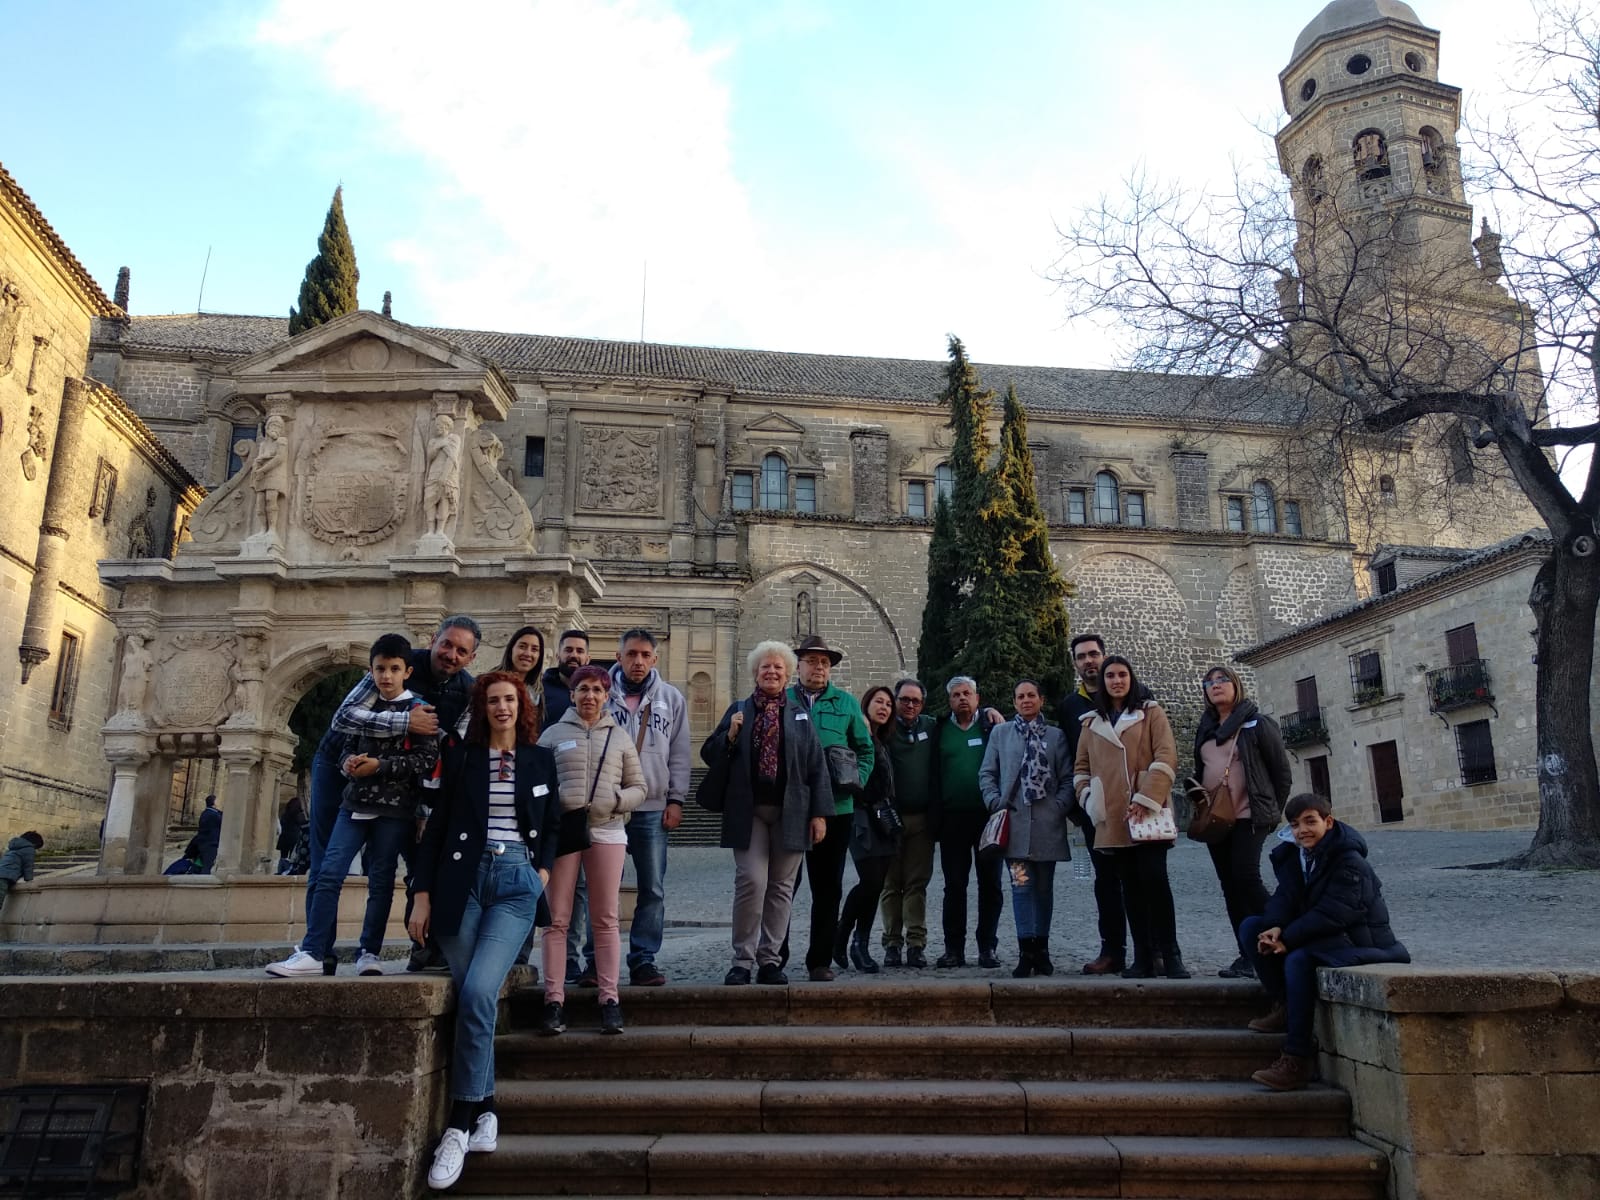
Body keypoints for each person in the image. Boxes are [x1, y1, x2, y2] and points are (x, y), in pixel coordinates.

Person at [409, 670, 562, 1190]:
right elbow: (434, 829)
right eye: (493, 700)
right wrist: (421, 894)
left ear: (523, 706)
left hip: (516, 883)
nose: (502, 707)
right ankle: (484, 1109)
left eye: (510, 699)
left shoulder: (540, 759)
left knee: (477, 991)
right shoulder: (462, 757)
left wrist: (541, 872)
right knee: (474, 996)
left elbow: (554, 822)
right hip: (461, 883)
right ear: (483, 707)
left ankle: (457, 1124)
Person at [269, 634, 441, 978]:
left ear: (407, 671)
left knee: (381, 880)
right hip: (355, 804)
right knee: (329, 872)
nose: (387, 676)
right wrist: (348, 762)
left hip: (394, 809)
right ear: (370, 670)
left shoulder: (421, 709)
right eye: (380, 669)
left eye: (394, 669)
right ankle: (314, 950)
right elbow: (345, 744)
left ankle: (369, 951)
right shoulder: (364, 706)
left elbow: (425, 760)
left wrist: (380, 766)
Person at [1241, 794, 1410, 1091]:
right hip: (1326, 935)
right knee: (1251, 927)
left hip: (1361, 941)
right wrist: (1274, 928)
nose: (1302, 830)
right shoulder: (1296, 855)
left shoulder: (1349, 860)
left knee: (1299, 960)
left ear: (1328, 822)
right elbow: (1285, 896)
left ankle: (1297, 1058)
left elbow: (1335, 913)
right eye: (1295, 825)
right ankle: (1285, 1004)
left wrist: (1288, 939)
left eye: (1310, 822)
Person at [703, 641, 831, 985]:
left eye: (778, 667)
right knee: (751, 881)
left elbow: (816, 764)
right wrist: (731, 735)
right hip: (749, 811)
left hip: (793, 810)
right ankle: (742, 960)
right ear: (755, 673)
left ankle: (770, 960)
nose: (771, 672)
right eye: (765, 667)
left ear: (787, 675)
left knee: (781, 888)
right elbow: (710, 753)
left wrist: (820, 814)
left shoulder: (800, 714)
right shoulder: (739, 710)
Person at [537, 665, 646, 1035]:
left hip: (607, 829)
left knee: (606, 918)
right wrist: (553, 806)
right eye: (583, 689)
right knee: (557, 918)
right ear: (572, 694)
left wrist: (617, 800)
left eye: (597, 690)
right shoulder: (552, 735)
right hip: (564, 832)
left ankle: (609, 998)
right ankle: (554, 999)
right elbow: (537, 783)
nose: (590, 696)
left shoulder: (619, 737)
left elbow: (639, 786)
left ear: (606, 696)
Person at [1072, 654, 1186, 979]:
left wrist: (1146, 798)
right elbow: (1081, 768)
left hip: (1148, 814)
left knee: (1156, 884)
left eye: (1122, 674)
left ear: (1131, 678)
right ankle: (1143, 958)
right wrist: (1090, 800)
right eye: (1110, 675)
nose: (1117, 680)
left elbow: (1166, 755)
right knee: (1131, 890)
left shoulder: (1151, 713)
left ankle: (1171, 955)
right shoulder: (1090, 724)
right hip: (1114, 817)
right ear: (1103, 682)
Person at [1193, 664, 1293, 980]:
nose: (1216, 685)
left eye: (1222, 679)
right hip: (1215, 821)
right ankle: (1247, 954)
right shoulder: (1205, 728)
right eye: (1209, 682)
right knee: (1230, 887)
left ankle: (1286, 931)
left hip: (1250, 816)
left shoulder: (1257, 724)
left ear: (1236, 685)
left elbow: (1281, 773)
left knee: (1246, 877)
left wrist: (1270, 811)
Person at [603, 628, 690, 986]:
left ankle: (643, 959)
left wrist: (676, 799)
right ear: (619, 657)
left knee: (652, 887)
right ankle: (597, 960)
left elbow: (680, 752)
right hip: (607, 807)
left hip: (653, 806)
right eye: (631, 654)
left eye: (644, 655)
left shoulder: (671, 699)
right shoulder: (600, 694)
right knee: (602, 887)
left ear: (655, 659)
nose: (637, 661)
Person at [786, 634, 874, 982]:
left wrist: (855, 780)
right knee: (783, 886)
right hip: (791, 807)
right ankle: (774, 956)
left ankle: (820, 960)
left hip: (837, 807)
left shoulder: (847, 703)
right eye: (811, 661)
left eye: (824, 662)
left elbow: (865, 750)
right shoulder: (783, 700)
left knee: (828, 887)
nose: (818, 667)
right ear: (798, 666)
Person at [981, 679, 1074, 977]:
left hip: (1047, 827)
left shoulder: (1056, 736)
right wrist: (994, 801)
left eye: (1031, 695)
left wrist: (1059, 806)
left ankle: (1042, 949)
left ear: (1041, 700)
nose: (1026, 700)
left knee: (1044, 889)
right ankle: (1026, 950)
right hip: (1015, 828)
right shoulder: (1001, 734)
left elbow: (1068, 777)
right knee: (1020, 887)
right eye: (1020, 696)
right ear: (1014, 702)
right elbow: (987, 773)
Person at [1057, 633, 1129, 975]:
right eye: (1082, 656)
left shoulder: (1134, 697)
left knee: (1143, 879)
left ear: (1104, 656)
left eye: (1094, 654)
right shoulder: (1070, 706)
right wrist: (1078, 805)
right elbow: (1071, 758)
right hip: (1095, 809)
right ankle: (1112, 950)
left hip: (1134, 805)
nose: (1089, 661)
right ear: (1075, 663)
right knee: (1106, 881)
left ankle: (1156, 950)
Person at [936, 676, 1004, 969]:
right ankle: (954, 949)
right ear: (949, 700)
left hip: (987, 819)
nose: (962, 698)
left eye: (967, 693)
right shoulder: (940, 730)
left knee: (991, 885)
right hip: (952, 819)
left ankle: (987, 947)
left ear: (977, 698)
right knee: (954, 886)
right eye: (956, 694)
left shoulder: (992, 727)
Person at [833, 686, 899, 973]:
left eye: (888, 704)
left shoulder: (882, 739)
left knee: (877, 884)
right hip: (860, 814)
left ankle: (860, 943)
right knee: (870, 881)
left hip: (882, 818)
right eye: (878, 702)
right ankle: (843, 934)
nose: (884, 707)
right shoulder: (856, 734)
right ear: (866, 704)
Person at [542, 628, 591, 984]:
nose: (574, 655)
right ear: (558, 653)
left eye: (579, 650)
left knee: (580, 889)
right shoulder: (540, 692)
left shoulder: (596, 698)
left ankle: (573, 958)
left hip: (582, 808)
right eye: (568, 649)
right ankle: (525, 958)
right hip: (544, 803)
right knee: (538, 884)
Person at [878, 677, 939, 968]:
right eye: (904, 700)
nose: (910, 705)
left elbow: (962, 719)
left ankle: (916, 943)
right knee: (891, 884)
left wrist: (989, 713)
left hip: (922, 819)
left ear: (922, 704)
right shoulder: (884, 728)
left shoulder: (931, 726)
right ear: (896, 700)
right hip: (890, 820)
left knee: (917, 883)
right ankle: (891, 943)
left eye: (916, 701)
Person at [500, 626, 547, 729]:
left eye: (534, 649)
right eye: (522, 647)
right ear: (511, 650)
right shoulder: (489, 684)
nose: (528, 653)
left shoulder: (537, 694)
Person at [0, 831, 43, 914]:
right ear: (35, 843)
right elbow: (28, 866)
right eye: (37, 848)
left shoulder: (13, 847)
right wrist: (29, 880)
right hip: (4, 877)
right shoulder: (29, 849)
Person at [276, 797, 306, 875]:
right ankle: (289, 872)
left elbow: (282, 823)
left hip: (284, 838)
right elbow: (303, 824)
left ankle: (281, 871)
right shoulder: (299, 815)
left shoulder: (285, 814)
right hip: (294, 837)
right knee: (292, 858)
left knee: (283, 857)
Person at [194, 794, 223, 873]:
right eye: (218, 801)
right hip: (210, 845)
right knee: (207, 867)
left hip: (204, 844)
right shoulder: (213, 815)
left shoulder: (207, 813)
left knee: (202, 865)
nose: (220, 802)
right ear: (214, 803)